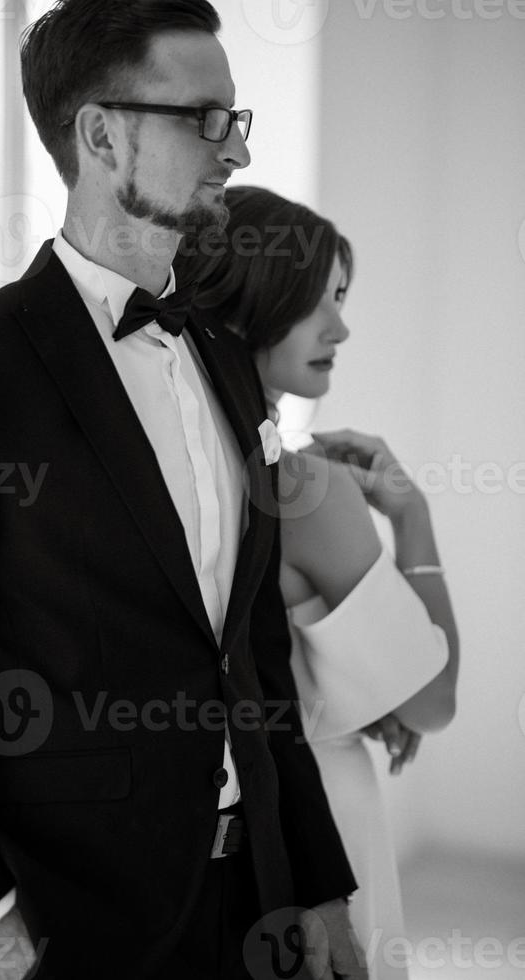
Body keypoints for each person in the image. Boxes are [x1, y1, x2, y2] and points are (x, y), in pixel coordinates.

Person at [0, 7, 368, 980]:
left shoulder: (222, 354)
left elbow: (254, 650)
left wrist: (318, 881)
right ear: (101, 134)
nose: (235, 148)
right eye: (204, 118)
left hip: (256, 911)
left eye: (238, 118)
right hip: (67, 928)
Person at [175, 184, 460, 979]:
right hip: (318, 824)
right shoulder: (312, 490)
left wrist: (355, 694)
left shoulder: (175, 460)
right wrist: (412, 517)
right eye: (318, 301)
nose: (342, 327)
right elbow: (431, 704)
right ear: (251, 296)